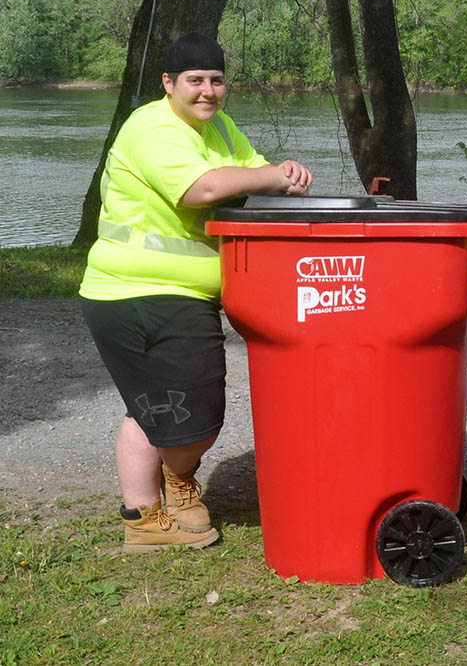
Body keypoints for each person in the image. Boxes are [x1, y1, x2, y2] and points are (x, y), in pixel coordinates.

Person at [80, 32, 313, 552]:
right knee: (185, 413)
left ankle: (150, 509)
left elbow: (250, 175)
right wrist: (270, 176)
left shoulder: (219, 128)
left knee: (163, 404)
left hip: (180, 294)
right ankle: (161, 500)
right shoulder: (152, 127)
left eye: (216, 80)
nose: (207, 91)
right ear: (169, 83)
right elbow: (201, 190)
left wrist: (283, 175)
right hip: (135, 292)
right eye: (195, 81)